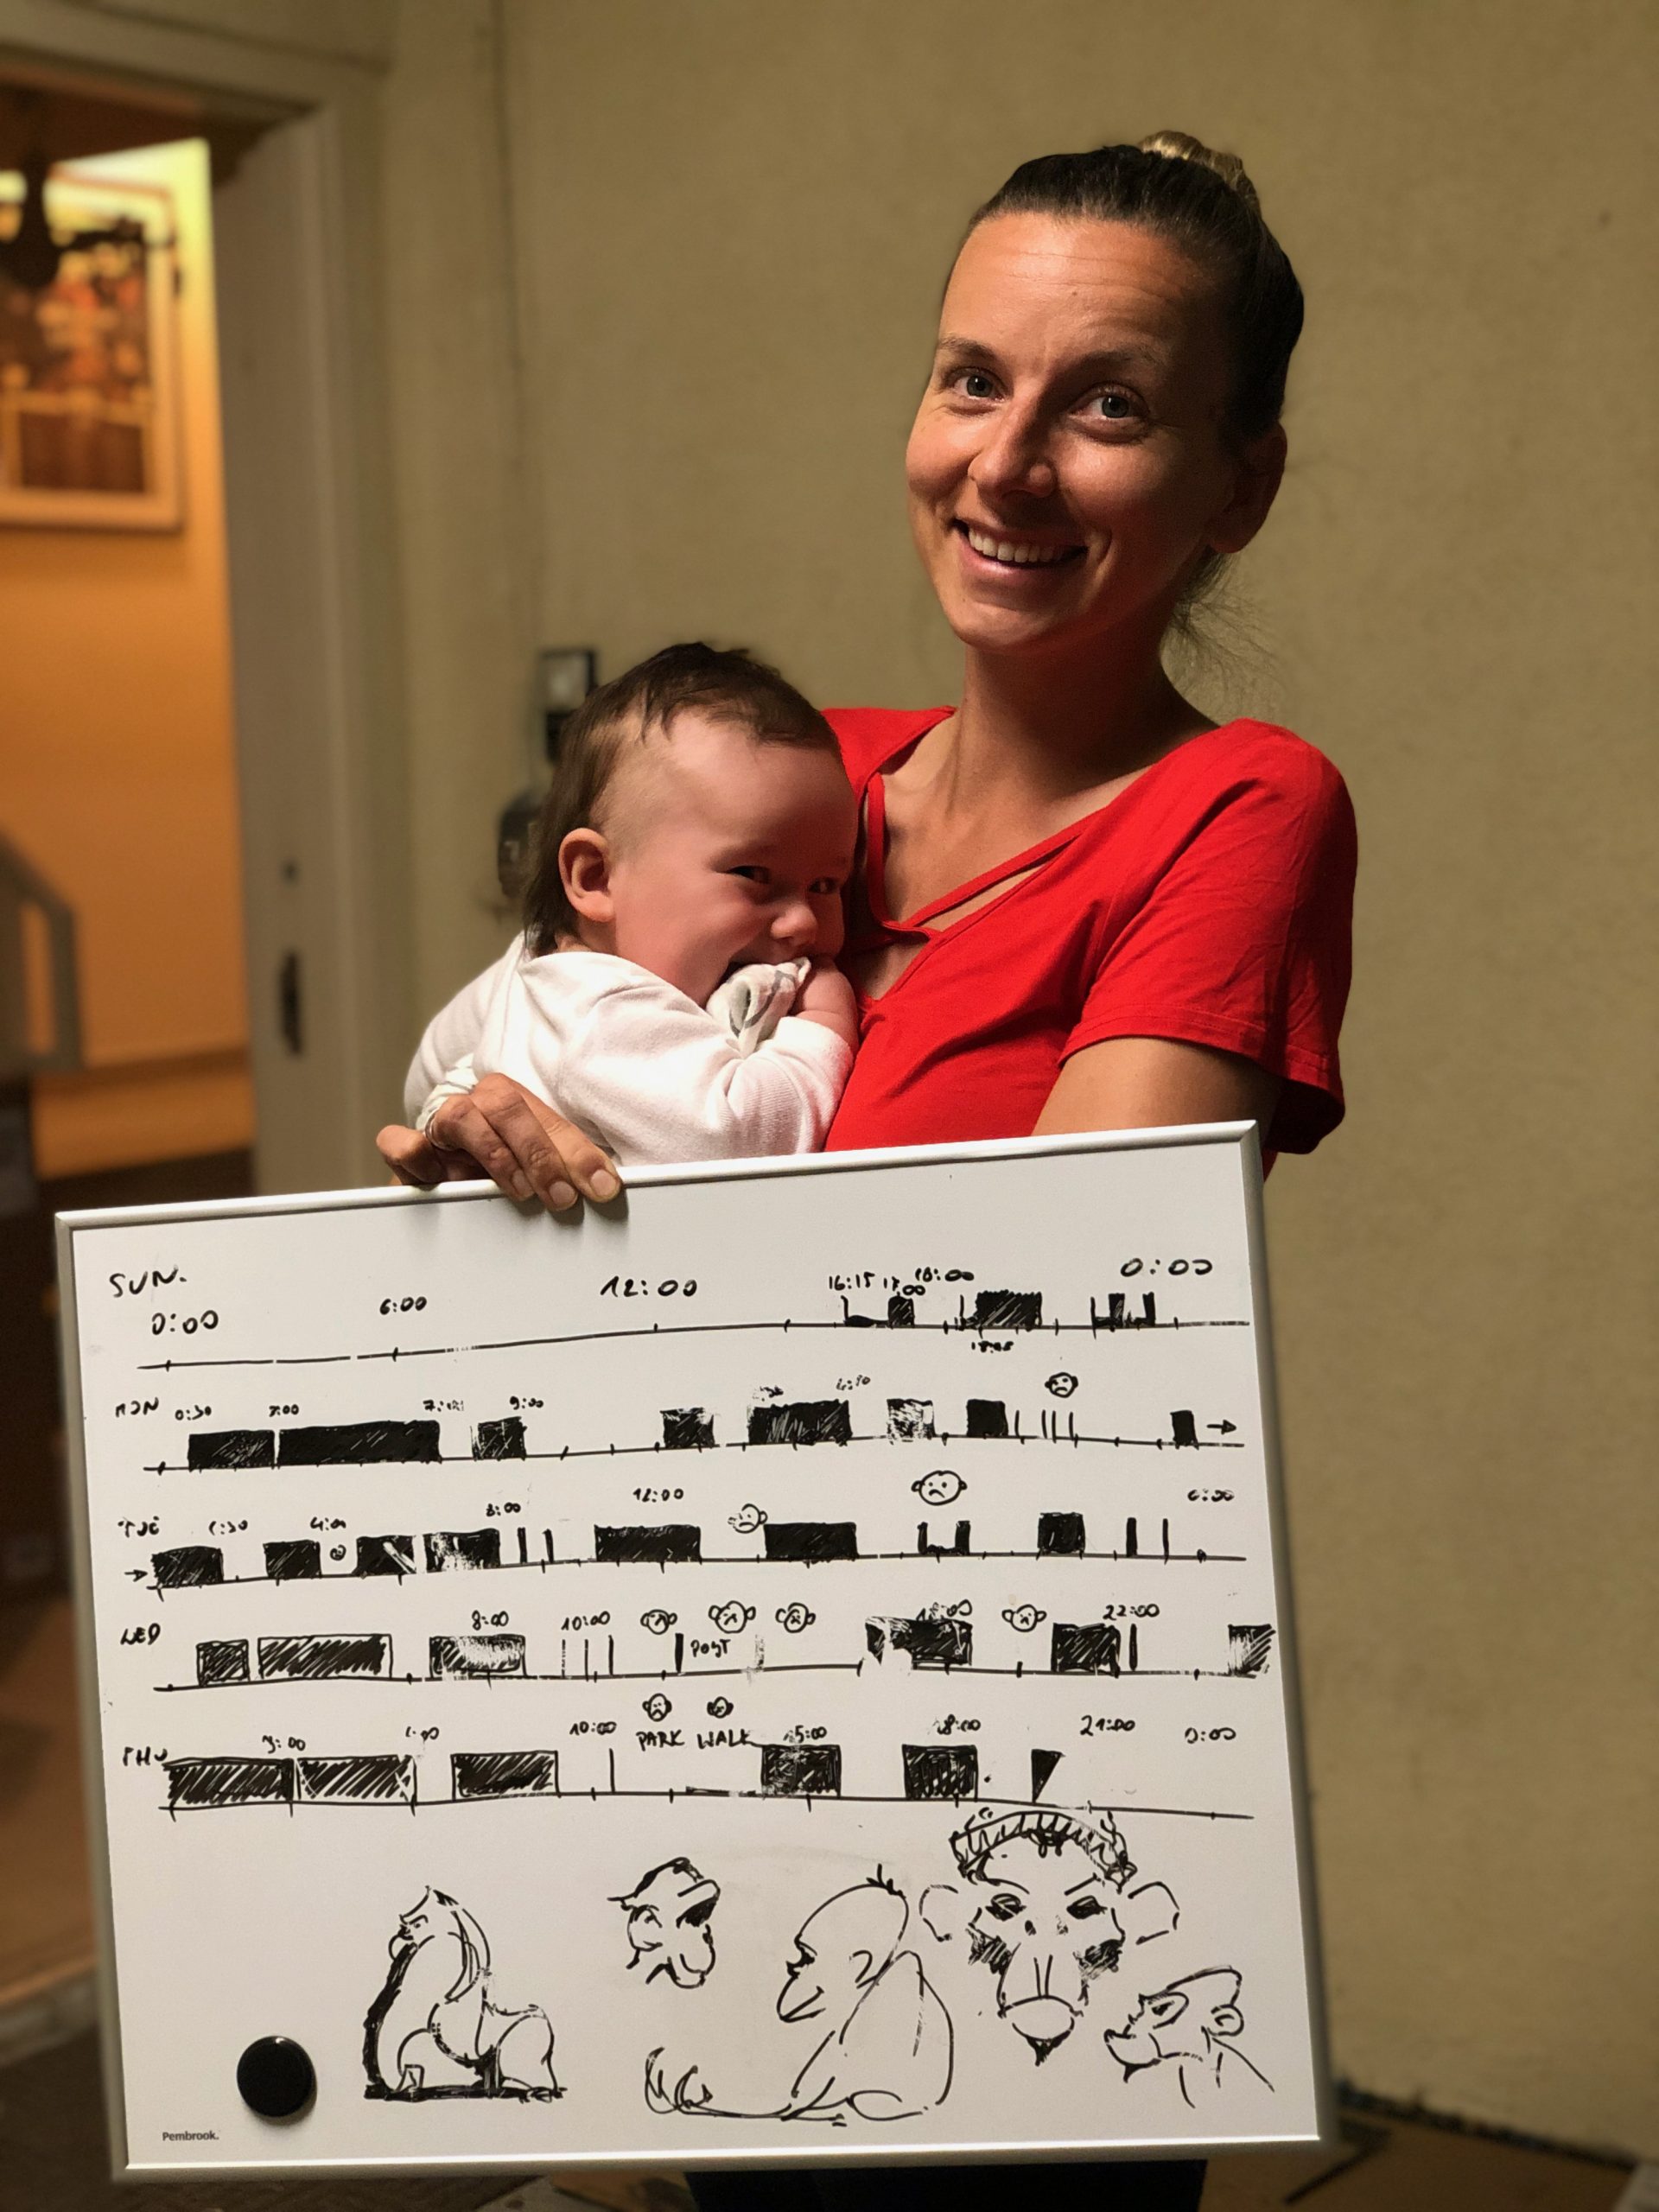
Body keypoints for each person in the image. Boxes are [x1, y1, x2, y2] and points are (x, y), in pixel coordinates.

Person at [378, 129, 1356, 2212]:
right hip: (684, 1730)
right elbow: (543, 1072)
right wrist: (484, 1157)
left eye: (1108, 405)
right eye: (969, 377)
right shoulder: (803, 785)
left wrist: (646, 1262)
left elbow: (1053, 1310)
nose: (1004, 461)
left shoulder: (1237, 810)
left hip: (1000, 1805)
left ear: (1240, 483)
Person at [404, 644, 859, 1176]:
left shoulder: (529, 966)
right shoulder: (605, 1009)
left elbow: (433, 1066)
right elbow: (735, 1143)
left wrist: (441, 1106)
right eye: (753, 874)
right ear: (596, 878)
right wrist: (824, 1026)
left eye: (826, 884)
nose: (804, 921)